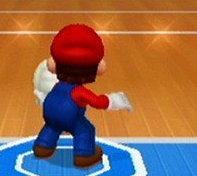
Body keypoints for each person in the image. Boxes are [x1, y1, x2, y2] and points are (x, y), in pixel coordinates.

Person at [32, 24, 133, 168]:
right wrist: (117, 100)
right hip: (69, 119)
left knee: (52, 126)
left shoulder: (57, 85)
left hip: (50, 115)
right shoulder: (79, 91)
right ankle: (84, 155)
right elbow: (99, 102)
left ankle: (42, 146)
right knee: (85, 130)